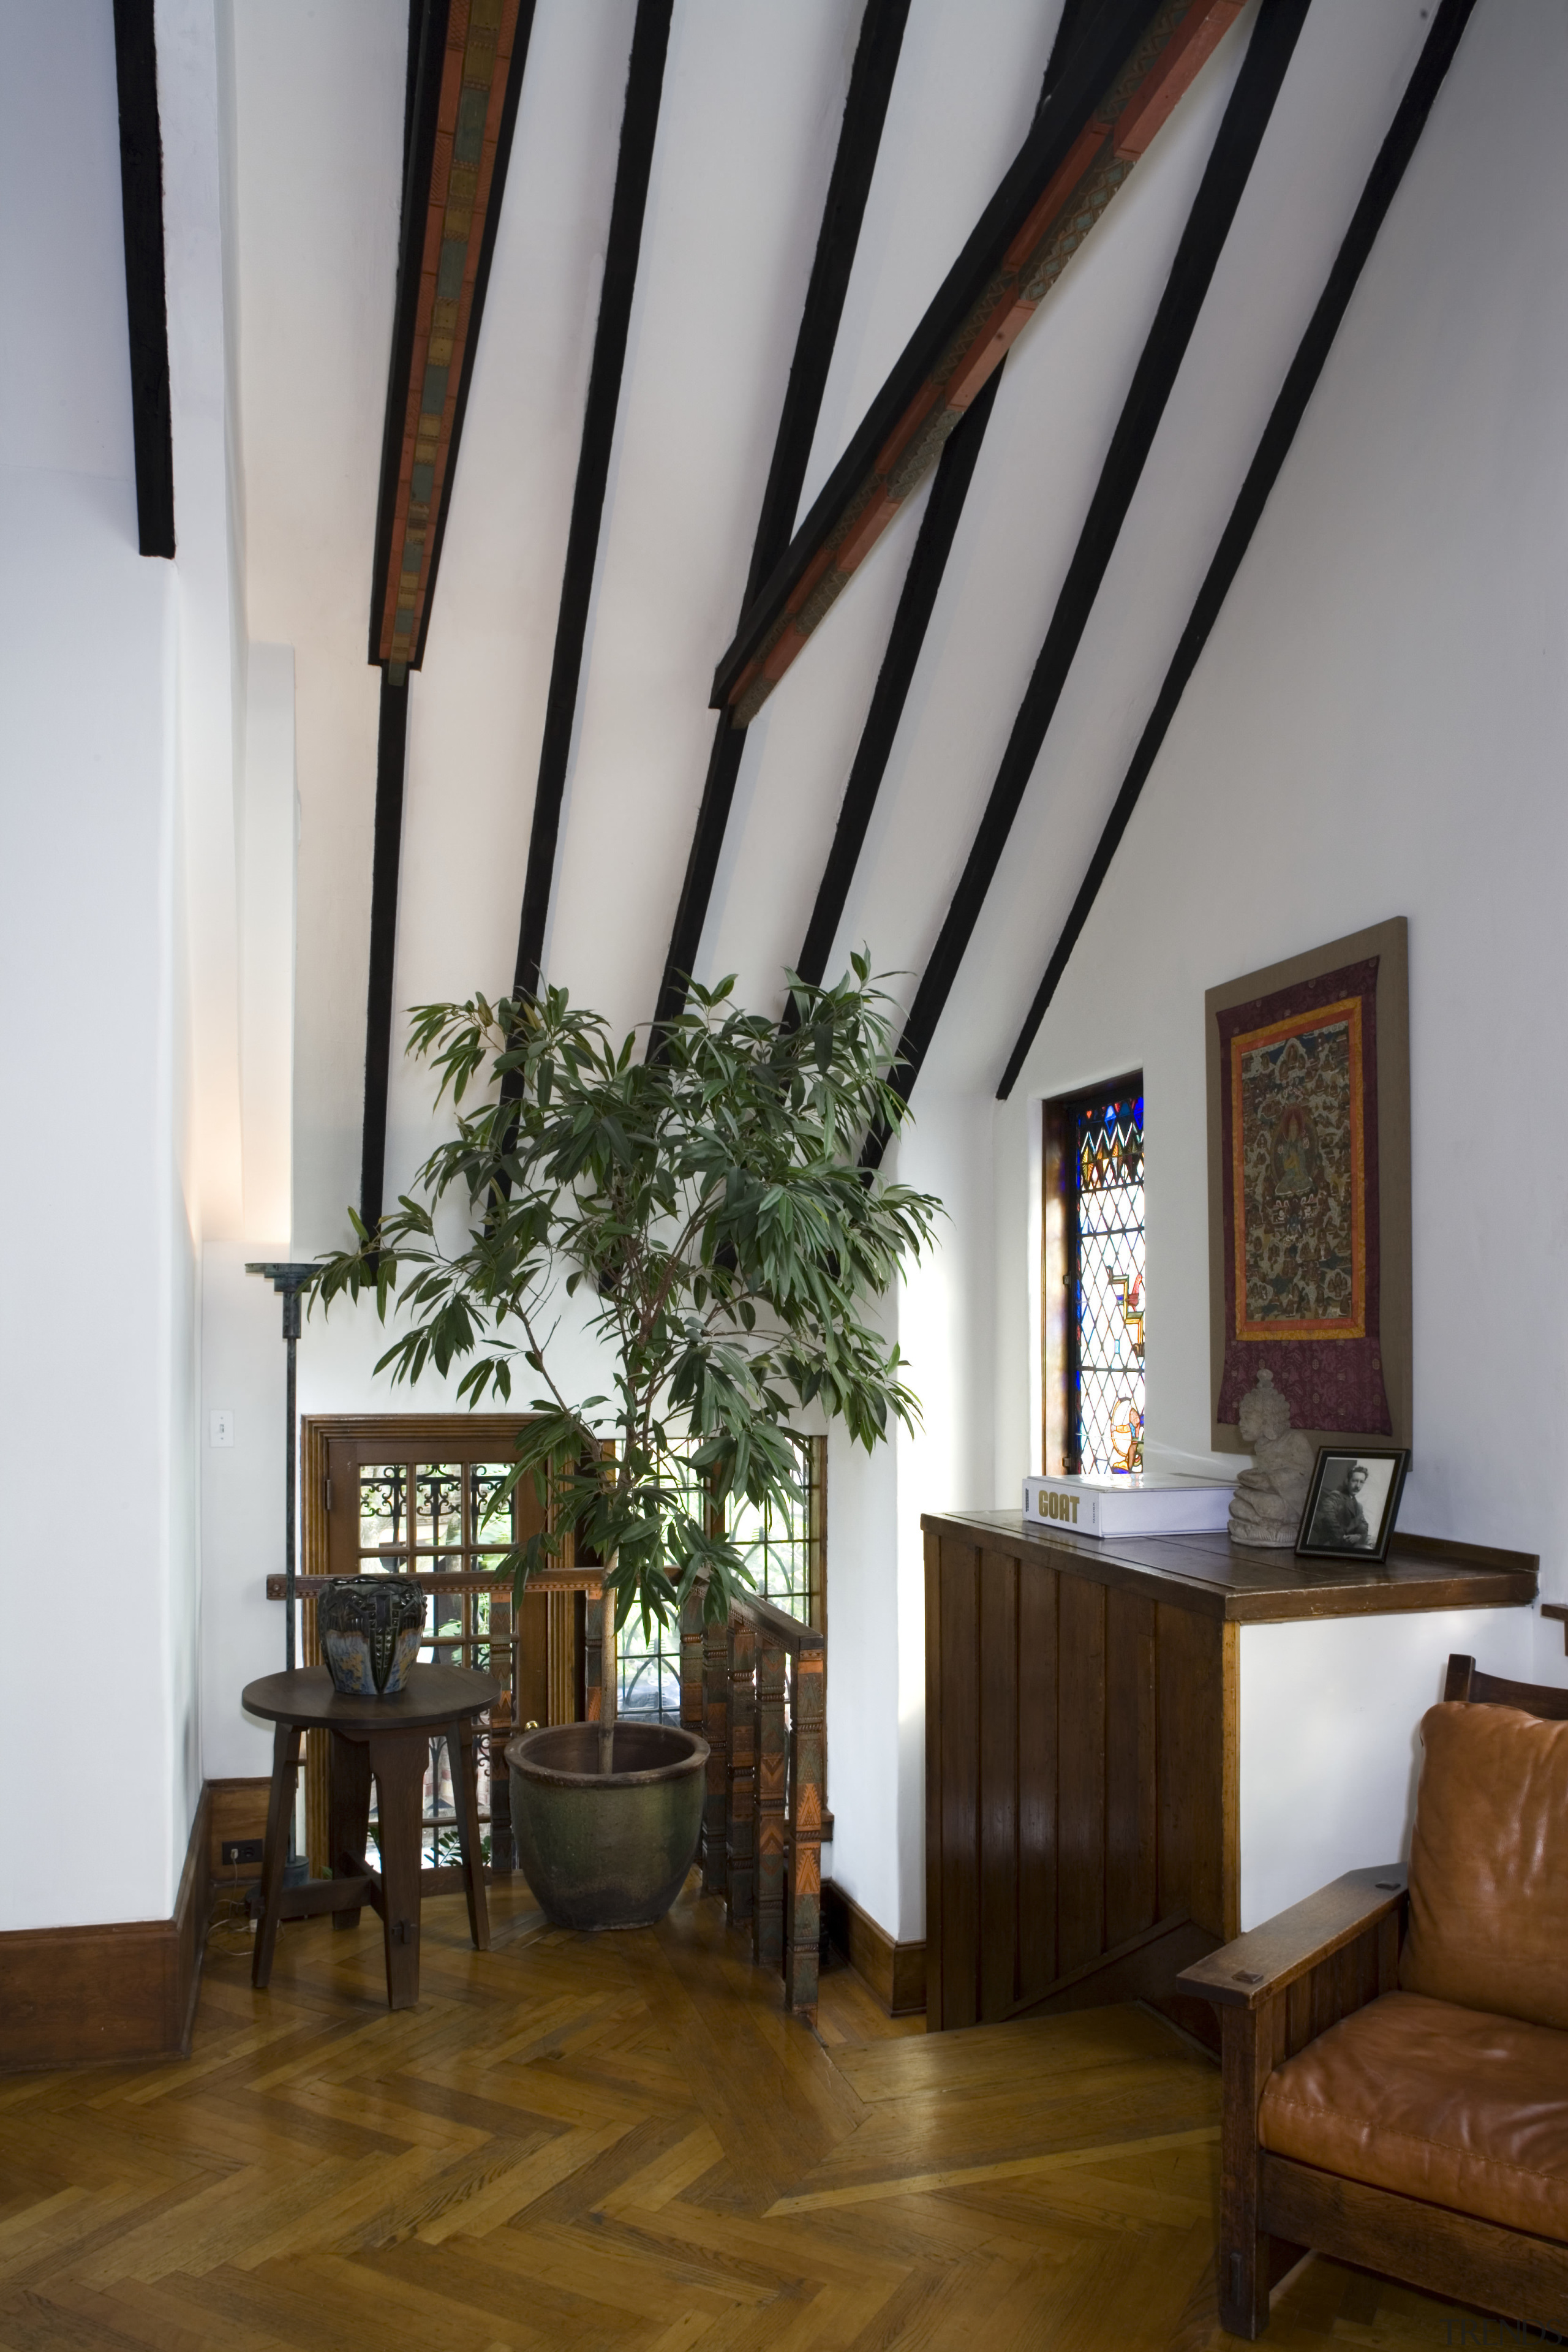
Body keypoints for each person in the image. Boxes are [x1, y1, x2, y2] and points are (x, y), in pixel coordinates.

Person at [1313, 1460, 1372, 1548]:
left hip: (1348, 1546)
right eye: (1355, 1481)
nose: (1358, 1486)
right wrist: (1343, 1537)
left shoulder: (1359, 1507)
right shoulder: (1336, 1495)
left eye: (1362, 1482)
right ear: (1347, 1481)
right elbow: (1328, 1514)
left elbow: (1364, 1527)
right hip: (1332, 1543)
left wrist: (1358, 1537)